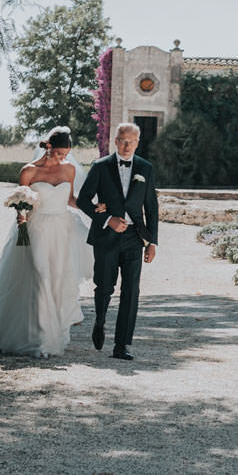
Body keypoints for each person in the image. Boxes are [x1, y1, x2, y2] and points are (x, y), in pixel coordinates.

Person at [0, 127, 93, 357]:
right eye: (60, 153)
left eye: (67, 153)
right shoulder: (29, 171)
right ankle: (39, 340)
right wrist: (22, 228)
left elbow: (70, 199)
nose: (64, 157)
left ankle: (52, 335)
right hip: (36, 229)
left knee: (56, 280)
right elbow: (22, 205)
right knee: (39, 276)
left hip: (61, 229)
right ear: (49, 147)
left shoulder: (69, 170)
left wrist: (95, 210)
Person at [77, 122, 159, 360]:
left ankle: (122, 345)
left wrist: (152, 242)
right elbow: (83, 200)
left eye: (131, 142)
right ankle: (100, 323)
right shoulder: (101, 166)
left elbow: (151, 208)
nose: (126, 145)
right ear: (115, 141)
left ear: (137, 143)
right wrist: (106, 219)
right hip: (106, 236)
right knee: (104, 287)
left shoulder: (146, 168)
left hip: (135, 237)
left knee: (131, 290)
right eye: (122, 140)